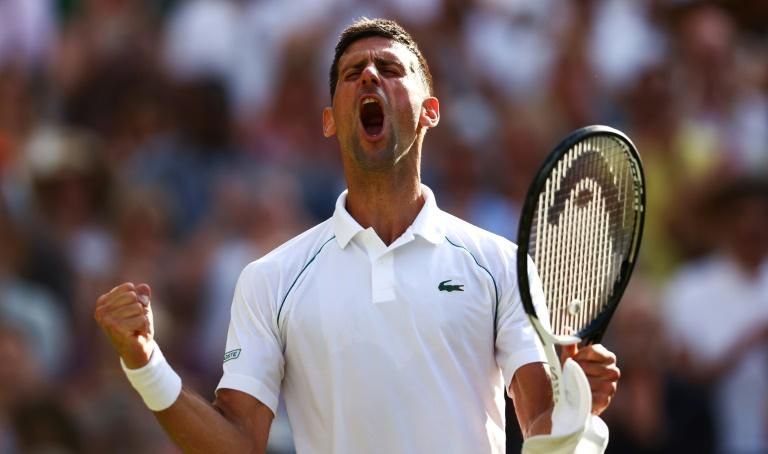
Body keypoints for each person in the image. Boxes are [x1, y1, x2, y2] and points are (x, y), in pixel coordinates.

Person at [94, 18, 620, 453]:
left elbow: (540, 422)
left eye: (390, 69)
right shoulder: (270, 279)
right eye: (351, 74)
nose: (370, 75)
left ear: (429, 113)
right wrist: (146, 363)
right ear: (329, 120)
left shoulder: (499, 262)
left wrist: (578, 408)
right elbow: (238, 443)